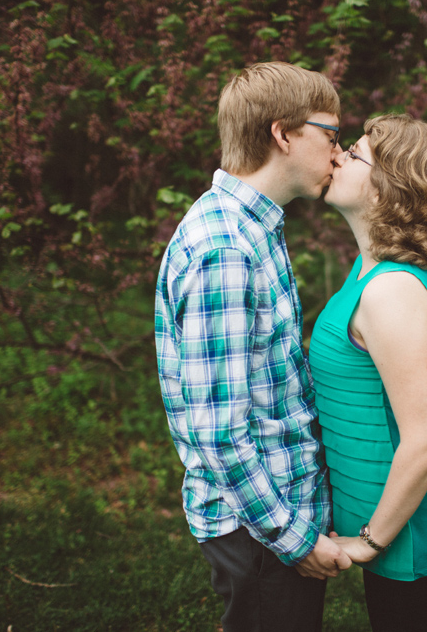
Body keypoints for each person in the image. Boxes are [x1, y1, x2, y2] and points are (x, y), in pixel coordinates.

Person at [154, 61, 352, 632]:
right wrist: (295, 540)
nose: (339, 155)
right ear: (282, 133)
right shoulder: (226, 251)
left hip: (271, 513)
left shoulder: (252, 227)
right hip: (260, 527)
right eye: (331, 135)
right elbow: (220, 431)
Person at [308, 114, 427, 632]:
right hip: (390, 501)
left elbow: (425, 440)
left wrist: (370, 540)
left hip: (409, 519)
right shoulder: (373, 271)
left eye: (354, 154)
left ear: (390, 190)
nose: (336, 155)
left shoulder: (390, 293)